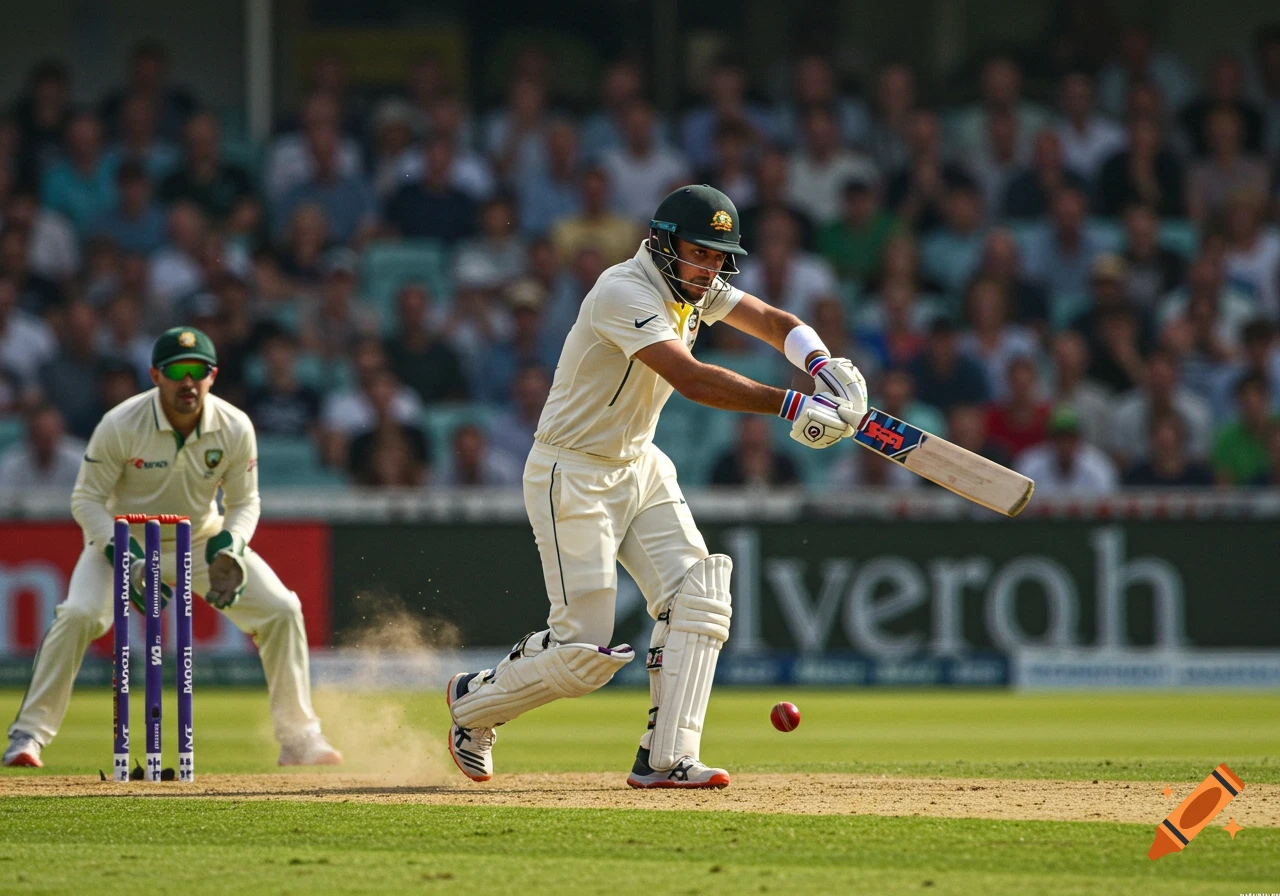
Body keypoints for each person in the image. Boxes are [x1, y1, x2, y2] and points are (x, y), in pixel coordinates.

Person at [443, 185, 867, 789]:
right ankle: (471, 705)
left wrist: (824, 364)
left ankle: (666, 760)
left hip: (638, 463)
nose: (712, 268)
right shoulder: (624, 290)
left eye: (721, 257)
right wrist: (792, 402)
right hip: (573, 472)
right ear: (664, 244)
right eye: (701, 253)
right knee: (583, 655)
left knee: (700, 592)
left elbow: (774, 322)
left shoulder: (697, 284)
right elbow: (690, 378)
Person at [3, 327, 341, 768]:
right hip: (125, 539)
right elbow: (86, 500)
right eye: (177, 371)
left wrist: (230, 547)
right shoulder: (121, 424)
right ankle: (28, 735)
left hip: (199, 540)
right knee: (80, 615)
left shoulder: (234, 426)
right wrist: (126, 556)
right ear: (155, 376)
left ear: (213, 375)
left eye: (197, 371)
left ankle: (299, 738)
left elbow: (245, 502)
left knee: (281, 610)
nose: (188, 382)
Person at [0, 404, 83, 491]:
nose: (45, 440)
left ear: (60, 432)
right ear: (31, 435)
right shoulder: (12, 463)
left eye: (50, 435)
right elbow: (3, 499)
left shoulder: (80, 462)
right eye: (40, 435)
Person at [709, 415, 800, 487]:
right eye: (749, 433)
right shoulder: (724, 466)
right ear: (739, 435)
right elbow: (713, 498)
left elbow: (794, 495)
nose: (754, 439)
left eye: (758, 433)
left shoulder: (785, 465)